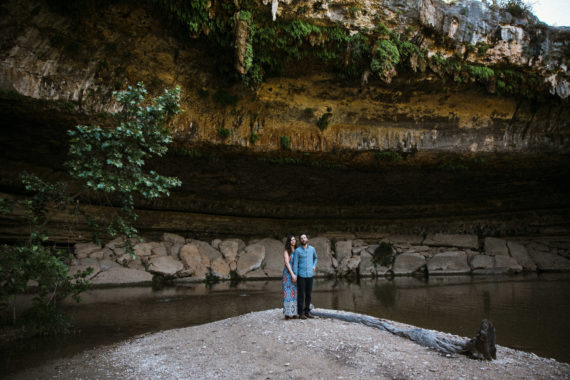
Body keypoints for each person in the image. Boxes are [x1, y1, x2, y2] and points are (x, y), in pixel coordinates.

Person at [292, 233, 317, 319]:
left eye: (304, 238)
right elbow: (295, 264)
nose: (303, 239)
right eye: (301, 238)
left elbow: (315, 258)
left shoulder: (312, 249)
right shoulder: (297, 251)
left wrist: (314, 265)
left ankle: (307, 312)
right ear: (300, 240)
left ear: (307, 239)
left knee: (309, 294)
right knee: (301, 295)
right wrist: (295, 275)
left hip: (310, 275)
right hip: (301, 275)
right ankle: (301, 313)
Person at [282, 235, 298, 319]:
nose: (293, 241)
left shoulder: (297, 250)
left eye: (294, 239)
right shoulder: (286, 251)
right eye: (291, 240)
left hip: (296, 273)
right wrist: (292, 274)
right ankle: (287, 314)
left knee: (295, 293)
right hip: (288, 274)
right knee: (287, 293)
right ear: (289, 242)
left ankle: (294, 312)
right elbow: (287, 263)